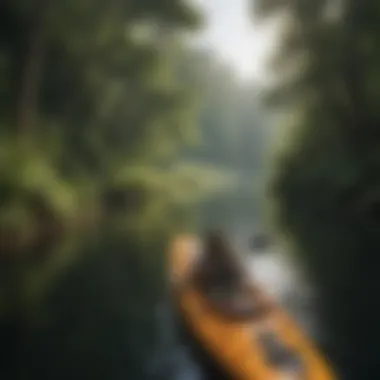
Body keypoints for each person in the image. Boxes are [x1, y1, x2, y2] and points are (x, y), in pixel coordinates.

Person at [192, 230, 273, 321]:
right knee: (237, 305)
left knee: (241, 302)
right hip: (221, 295)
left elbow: (196, 278)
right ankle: (256, 309)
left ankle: (256, 309)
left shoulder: (213, 262)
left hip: (227, 292)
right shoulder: (216, 261)